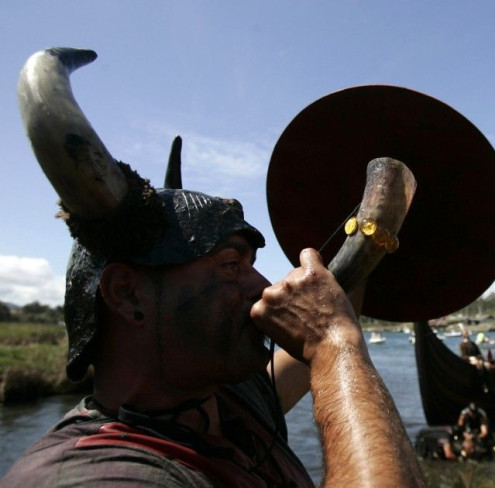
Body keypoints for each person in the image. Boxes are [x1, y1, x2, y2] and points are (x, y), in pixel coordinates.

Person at [2, 47, 425, 487]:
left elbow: (340, 300)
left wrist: (372, 232)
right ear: (128, 293)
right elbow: (331, 342)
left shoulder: (230, 404)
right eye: (229, 265)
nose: (262, 286)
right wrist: (334, 345)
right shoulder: (94, 475)